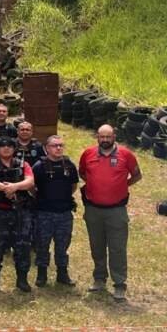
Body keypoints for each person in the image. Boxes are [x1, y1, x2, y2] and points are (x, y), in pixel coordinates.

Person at [79, 124, 142, 302]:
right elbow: (83, 173)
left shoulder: (126, 155)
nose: (105, 140)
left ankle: (119, 284)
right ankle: (99, 279)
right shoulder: (88, 154)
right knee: (96, 246)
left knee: (117, 248)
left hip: (116, 211)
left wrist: (123, 186)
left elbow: (137, 175)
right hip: (93, 210)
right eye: (102, 137)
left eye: (108, 136)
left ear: (114, 136)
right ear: (97, 137)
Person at [0, 137, 35, 293]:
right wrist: (7, 188)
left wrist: (14, 186)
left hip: (20, 213)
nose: (6, 148)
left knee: (23, 248)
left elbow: (30, 181)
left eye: (10, 146)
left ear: (14, 149)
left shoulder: (23, 165)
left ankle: (22, 280)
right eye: (2, 146)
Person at [32, 135, 78, 288]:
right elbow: (32, 188)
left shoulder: (69, 165)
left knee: (62, 246)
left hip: (64, 213)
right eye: (54, 146)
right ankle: (42, 274)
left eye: (60, 145)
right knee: (42, 245)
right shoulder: (39, 166)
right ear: (46, 148)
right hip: (44, 213)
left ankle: (62, 274)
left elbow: (73, 186)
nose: (58, 148)